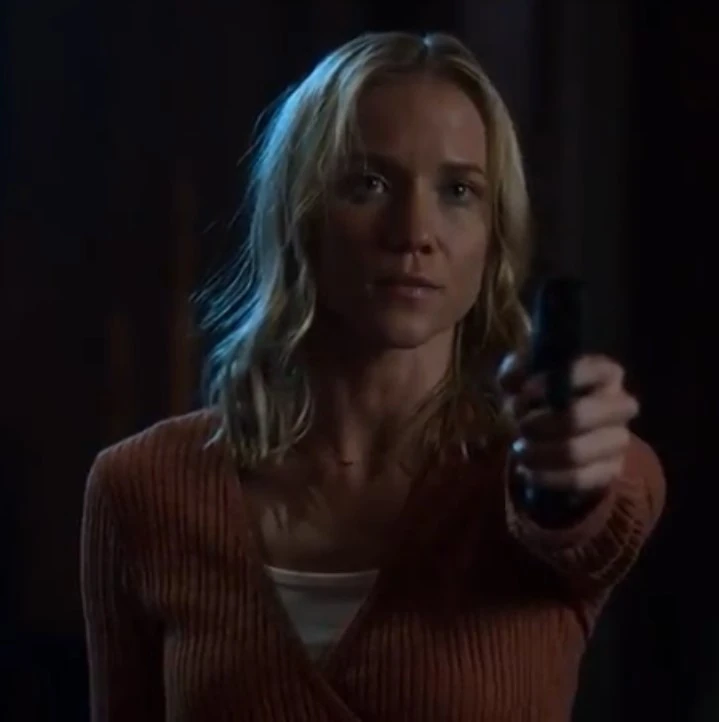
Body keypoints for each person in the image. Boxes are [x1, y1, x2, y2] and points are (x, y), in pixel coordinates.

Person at [80, 31, 666, 721]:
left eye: (457, 190)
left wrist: (569, 482)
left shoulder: (530, 472)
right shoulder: (142, 487)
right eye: (369, 183)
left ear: (493, 235)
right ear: (300, 214)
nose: (414, 231)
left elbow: (597, 521)